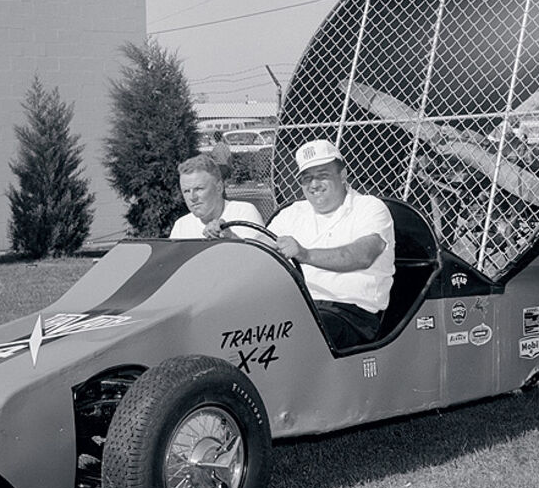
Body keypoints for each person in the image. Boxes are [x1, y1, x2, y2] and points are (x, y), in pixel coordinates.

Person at [267, 139, 395, 349]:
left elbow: (363, 255)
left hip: (352, 314)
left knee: (292, 334)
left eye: (322, 176)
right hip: (299, 308)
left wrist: (305, 254)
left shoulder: (369, 208)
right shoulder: (291, 213)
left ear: (343, 175)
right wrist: (230, 237)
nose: (314, 185)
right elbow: (258, 248)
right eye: (306, 178)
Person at [169, 154, 263, 239]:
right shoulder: (181, 226)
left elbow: (260, 255)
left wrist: (231, 238)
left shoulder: (243, 213)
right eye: (186, 191)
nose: (192, 197)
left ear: (219, 188)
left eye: (199, 189)